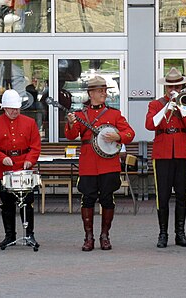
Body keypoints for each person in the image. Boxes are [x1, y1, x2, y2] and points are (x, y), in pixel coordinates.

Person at [65, 76, 135, 251]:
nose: (104, 93)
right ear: (91, 93)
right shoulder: (81, 115)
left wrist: (118, 136)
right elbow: (72, 135)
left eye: (104, 90)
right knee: (87, 199)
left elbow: (130, 133)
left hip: (109, 163)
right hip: (88, 163)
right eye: (100, 90)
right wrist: (71, 123)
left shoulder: (114, 114)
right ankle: (89, 237)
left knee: (107, 199)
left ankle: (105, 236)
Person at [145, 67, 186, 248]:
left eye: (177, 85)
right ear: (165, 88)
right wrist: (168, 106)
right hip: (163, 153)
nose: (173, 89)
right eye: (170, 87)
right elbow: (150, 124)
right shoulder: (156, 104)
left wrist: (181, 108)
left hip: (182, 152)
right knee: (163, 195)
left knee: (182, 195)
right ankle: (163, 234)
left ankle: (180, 234)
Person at [0, 89, 41, 249]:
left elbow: (35, 146)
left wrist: (30, 160)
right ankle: (10, 236)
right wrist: (2, 158)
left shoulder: (29, 123)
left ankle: (29, 235)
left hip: (24, 166)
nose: (15, 111)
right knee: (7, 204)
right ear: (4, 108)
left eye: (17, 108)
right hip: (3, 168)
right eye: (11, 109)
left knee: (27, 203)